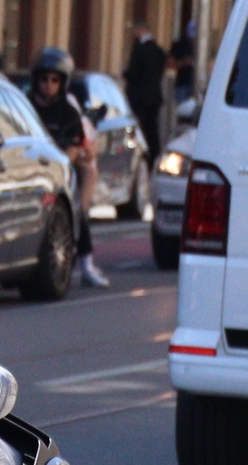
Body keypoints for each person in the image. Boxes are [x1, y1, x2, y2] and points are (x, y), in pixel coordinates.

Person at [28, 46, 108, 288]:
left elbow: (78, 147)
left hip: (61, 171)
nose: (48, 85)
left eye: (54, 80)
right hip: (30, 170)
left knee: (77, 212)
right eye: (44, 79)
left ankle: (87, 265)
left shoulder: (68, 111)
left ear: (62, 82)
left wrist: (67, 159)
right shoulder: (27, 106)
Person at [122, 20, 169, 162]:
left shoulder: (140, 50)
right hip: (154, 96)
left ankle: (143, 155)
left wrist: (125, 73)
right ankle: (155, 154)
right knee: (152, 128)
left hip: (139, 98)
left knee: (140, 128)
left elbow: (134, 74)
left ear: (141, 31)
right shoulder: (158, 50)